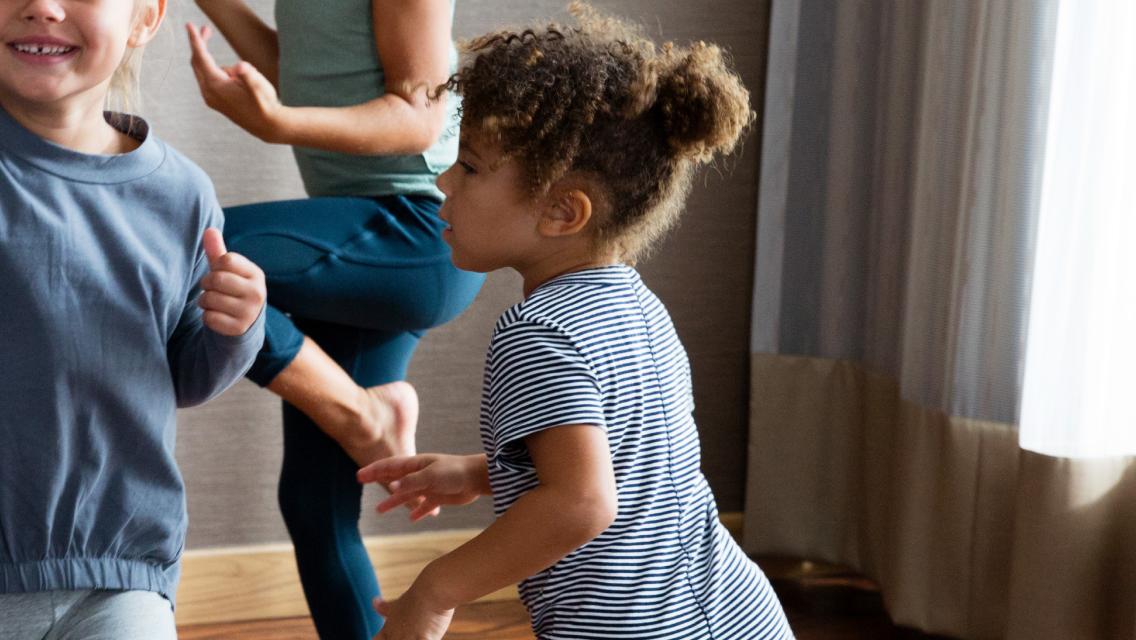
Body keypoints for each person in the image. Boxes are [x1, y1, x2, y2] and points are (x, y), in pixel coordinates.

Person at [356, 4, 795, 639]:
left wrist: (435, 589)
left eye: (471, 167)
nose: (445, 180)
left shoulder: (537, 331)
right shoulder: (635, 306)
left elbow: (583, 501)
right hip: (731, 608)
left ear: (564, 212)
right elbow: (633, 462)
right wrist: (485, 473)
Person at [184, 0, 485, 637]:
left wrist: (277, 124)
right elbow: (299, 71)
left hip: (414, 234)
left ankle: (360, 410)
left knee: (185, 255)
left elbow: (420, 118)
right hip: (358, 240)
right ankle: (357, 409)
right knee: (314, 505)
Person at [0, 0, 267, 637]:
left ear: (144, 19)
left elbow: (184, 373)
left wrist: (235, 327)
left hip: (124, 573)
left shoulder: (182, 193)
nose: (42, 5)